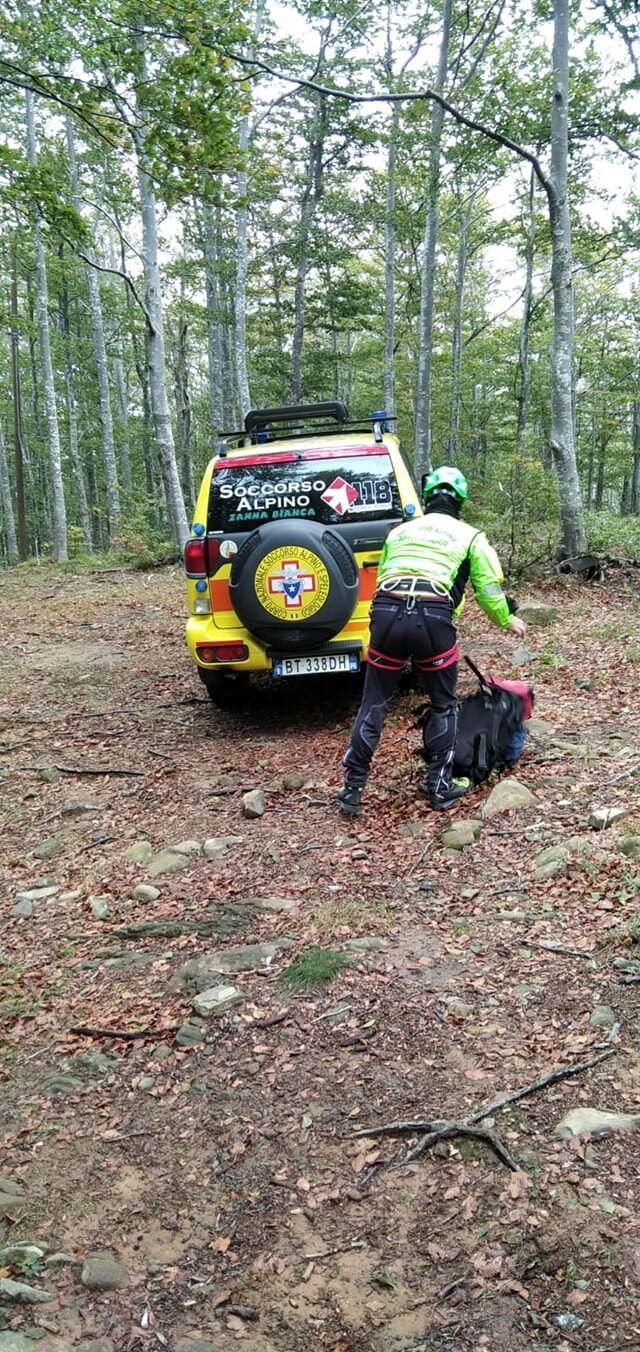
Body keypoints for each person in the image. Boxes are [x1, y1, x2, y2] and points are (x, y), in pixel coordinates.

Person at [336, 466, 527, 815]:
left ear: (427, 499)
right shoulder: (471, 536)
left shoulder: (400, 532)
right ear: (461, 500)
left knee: (374, 701)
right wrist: (506, 619)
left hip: (387, 614)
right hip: (433, 618)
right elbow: (487, 588)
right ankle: (439, 786)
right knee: (443, 704)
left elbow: (384, 577)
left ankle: (352, 788)